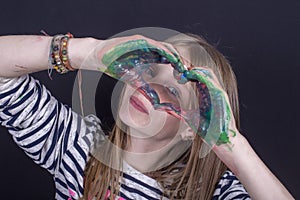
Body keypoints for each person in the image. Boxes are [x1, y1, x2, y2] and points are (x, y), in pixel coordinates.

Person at [0, 32, 294, 200]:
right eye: (150, 72)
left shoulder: (209, 193)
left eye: (175, 93)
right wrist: (88, 50)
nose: (150, 89)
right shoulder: (77, 147)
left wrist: (230, 142)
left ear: (194, 128)